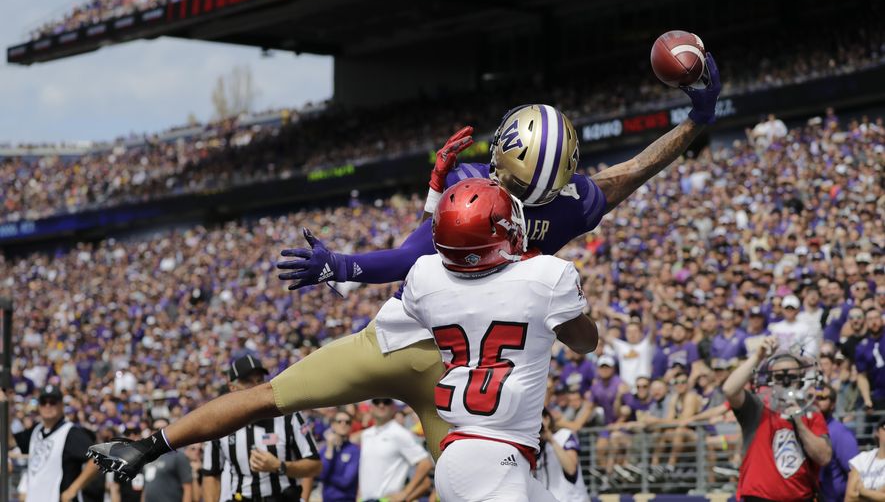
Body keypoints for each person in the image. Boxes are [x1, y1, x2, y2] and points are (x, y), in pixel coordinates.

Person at [87, 57, 722, 477]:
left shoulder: (477, 182)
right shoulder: (573, 205)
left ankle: (149, 444)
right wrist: (698, 113)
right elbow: (637, 167)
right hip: (468, 378)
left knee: (267, 398)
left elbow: (412, 255)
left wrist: (341, 264)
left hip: (396, 342)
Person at [400, 179, 598, 501]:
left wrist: (433, 196)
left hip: (470, 454)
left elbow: (421, 252)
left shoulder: (427, 278)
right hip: (494, 457)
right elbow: (586, 342)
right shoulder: (543, 278)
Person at [723, 336, 833, 501]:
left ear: (800, 378)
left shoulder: (811, 410)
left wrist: (799, 421)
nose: (786, 381)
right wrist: (758, 356)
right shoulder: (758, 406)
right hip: (760, 496)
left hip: (800, 497)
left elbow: (824, 457)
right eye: (779, 377)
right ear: (771, 379)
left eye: (792, 376)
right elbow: (729, 389)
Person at [201, 355, 321, 502]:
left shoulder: (288, 416)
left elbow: (315, 465)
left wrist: (280, 466)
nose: (255, 387)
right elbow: (211, 474)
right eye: (247, 382)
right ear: (232, 387)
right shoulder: (220, 423)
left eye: (259, 380)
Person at [3, 386, 100, 502]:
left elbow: (97, 459)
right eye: (44, 402)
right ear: (39, 406)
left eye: (53, 402)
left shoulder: (70, 432)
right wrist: (4, 408)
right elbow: (9, 442)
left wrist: (73, 489)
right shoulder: (36, 430)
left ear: (61, 406)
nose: (47, 406)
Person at [357, 398, 432, 502]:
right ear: (371, 407)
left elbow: (425, 463)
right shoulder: (366, 435)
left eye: (386, 402)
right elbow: (366, 471)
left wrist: (405, 493)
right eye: (376, 402)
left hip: (385, 499)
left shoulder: (400, 433)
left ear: (394, 407)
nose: (381, 405)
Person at [814, 383, 858, 502]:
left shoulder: (840, 433)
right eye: (813, 398)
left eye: (822, 398)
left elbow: (854, 472)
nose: (816, 402)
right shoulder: (806, 430)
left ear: (832, 404)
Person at [536, 409, 589, 502]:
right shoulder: (535, 446)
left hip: (572, 499)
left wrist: (551, 441)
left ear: (547, 419)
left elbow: (571, 469)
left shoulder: (564, 435)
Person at [142, 418, 193, 502]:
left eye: (163, 429)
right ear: (151, 432)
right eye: (156, 430)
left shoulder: (178, 456)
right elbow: (146, 488)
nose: (159, 433)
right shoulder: (147, 457)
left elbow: (188, 488)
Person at [317, 410, 359, 502]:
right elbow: (320, 475)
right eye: (339, 421)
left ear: (351, 426)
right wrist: (329, 450)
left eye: (347, 422)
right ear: (333, 425)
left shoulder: (355, 450)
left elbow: (346, 481)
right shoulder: (325, 448)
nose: (343, 424)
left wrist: (327, 477)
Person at [846, 417, 885, 502]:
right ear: (877, 432)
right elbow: (849, 497)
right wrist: (876, 495)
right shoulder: (862, 459)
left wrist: (863, 491)